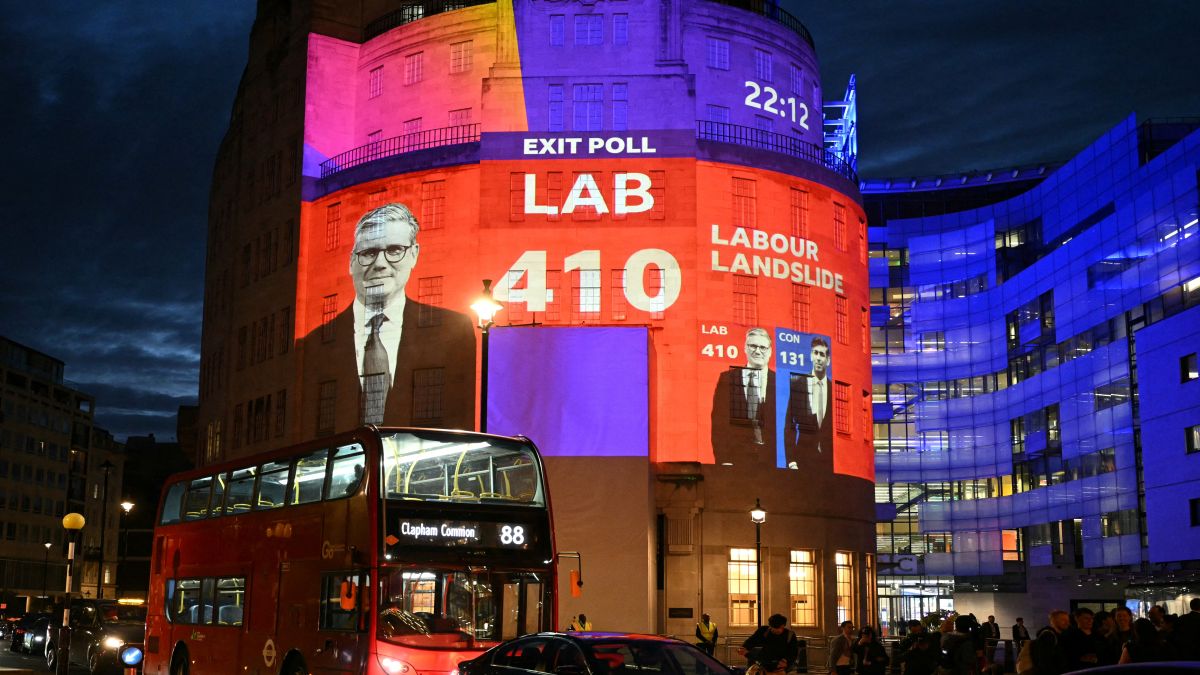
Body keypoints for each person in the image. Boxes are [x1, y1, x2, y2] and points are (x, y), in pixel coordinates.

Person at [300, 203, 476, 429]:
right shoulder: (314, 343)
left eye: (394, 250)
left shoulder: (455, 329)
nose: (380, 264)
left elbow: (461, 416)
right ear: (352, 262)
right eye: (369, 253)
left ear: (413, 254)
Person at [711, 328, 781, 467]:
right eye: (753, 346)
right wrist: (724, 459)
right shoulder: (727, 378)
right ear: (745, 348)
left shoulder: (780, 381)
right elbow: (719, 422)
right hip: (736, 460)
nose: (758, 351)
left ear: (770, 351)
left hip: (772, 463)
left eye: (762, 347)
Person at [783, 337, 834, 473]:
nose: (818, 358)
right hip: (802, 460)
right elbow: (789, 424)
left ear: (828, 360)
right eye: (815, 353)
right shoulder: (798, 384)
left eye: (822, 354)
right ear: (811, 356)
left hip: (828, 463)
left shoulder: (834, 389)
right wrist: (791, 461)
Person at [1031, 610, 1070, 675]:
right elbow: (1044, 662)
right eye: (1063, 620)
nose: (1067, 623)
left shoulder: (1058, 635)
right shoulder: (1048, 636)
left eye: (1068, 620)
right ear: (1053, 621)